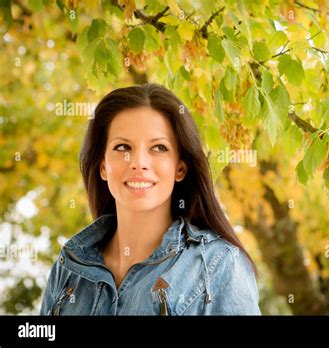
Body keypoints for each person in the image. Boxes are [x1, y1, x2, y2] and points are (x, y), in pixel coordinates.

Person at [40, 83, 261, 315]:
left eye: (158, 148)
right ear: (103, 167)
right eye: (123, 147)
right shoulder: (69, 268)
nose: (139, 162)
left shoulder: (219, 265)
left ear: (180, 169)